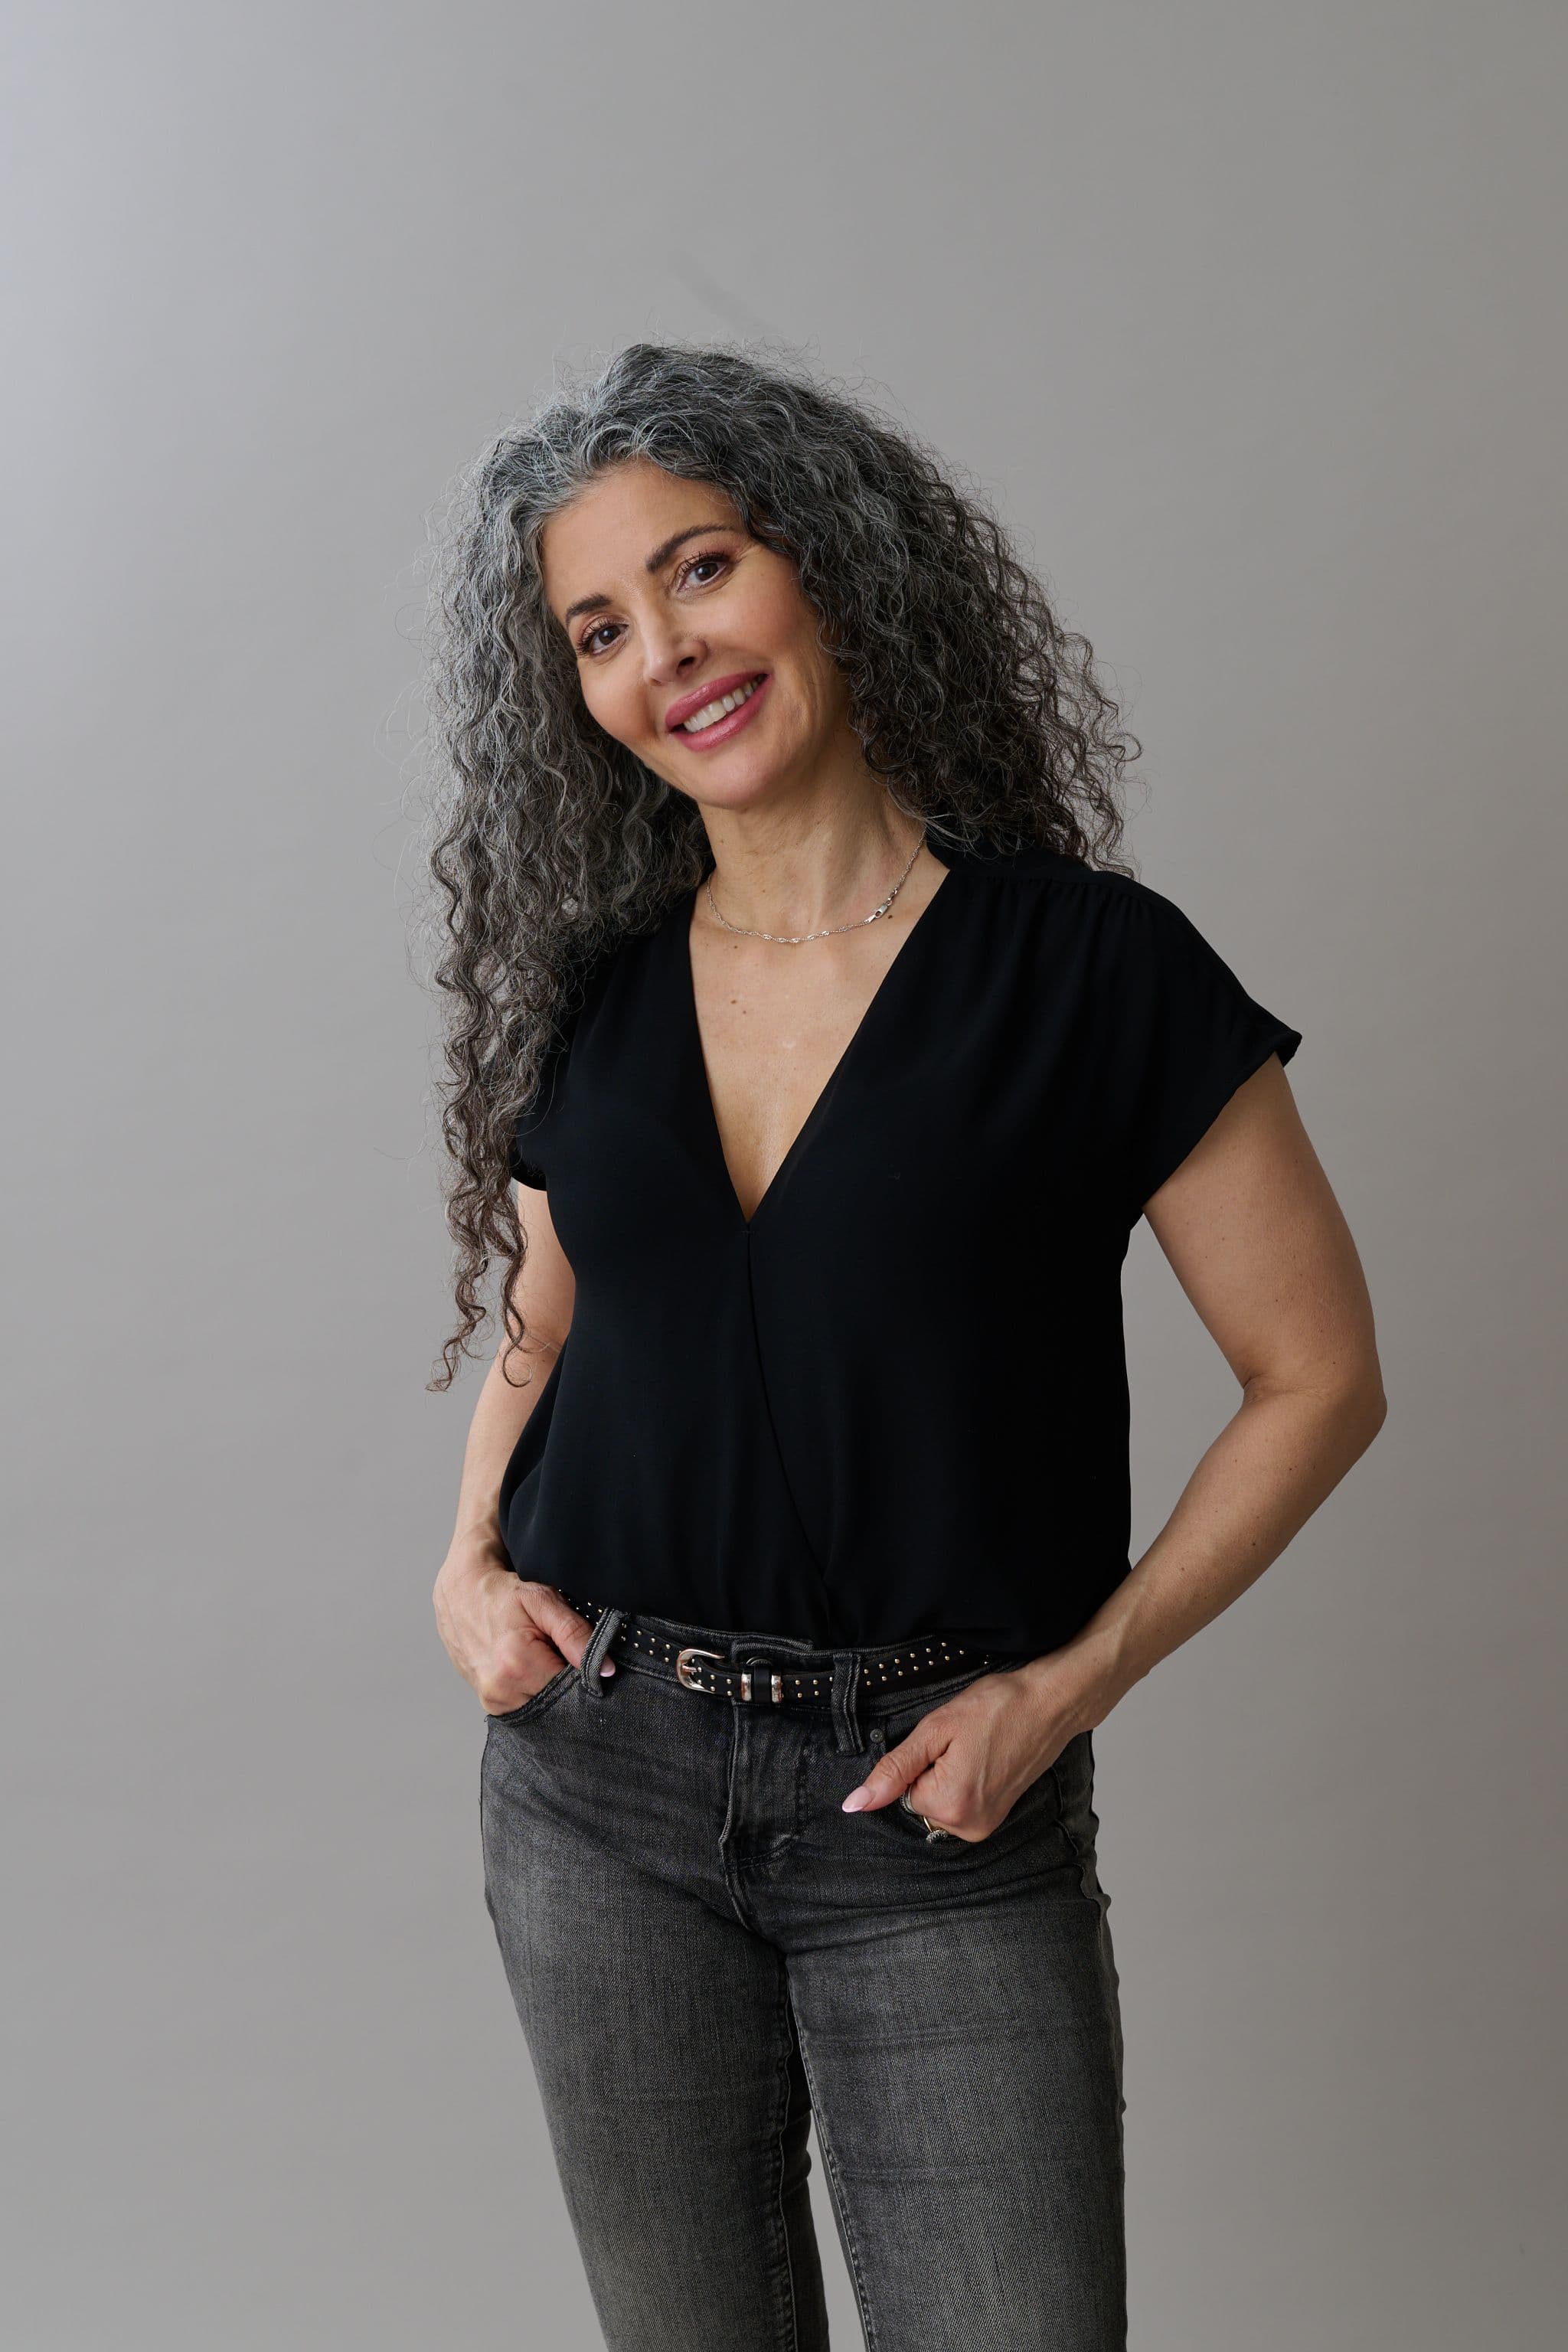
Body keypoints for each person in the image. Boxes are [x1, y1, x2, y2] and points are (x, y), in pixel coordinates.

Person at [418, 341, 1387, 2352]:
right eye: (600, 629)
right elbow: (554, 1308)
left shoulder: (1093, 970)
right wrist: (466, 1558)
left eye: (700, 569)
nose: (667, 652)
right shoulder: (600, 992)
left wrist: (1069, 1687)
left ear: (829, 567)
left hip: (939, 1801)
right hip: (599, 1793)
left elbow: (1320, 1378)